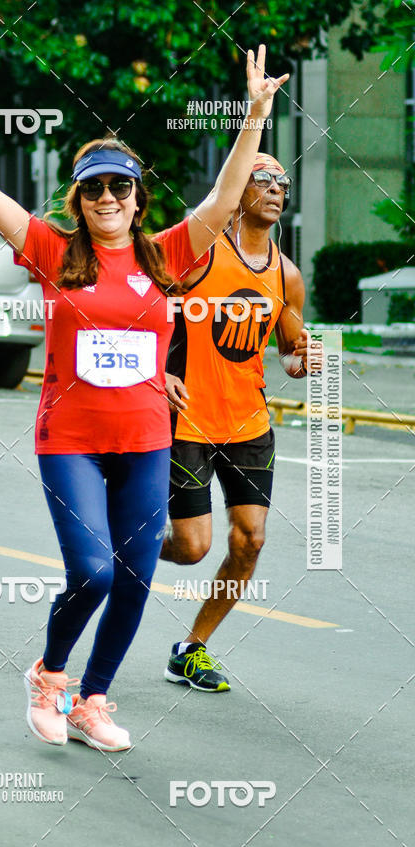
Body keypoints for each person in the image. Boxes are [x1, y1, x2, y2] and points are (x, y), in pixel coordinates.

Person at [0, 41, 288, 751]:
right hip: (72, 442)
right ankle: (50, 673)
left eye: (120, 188)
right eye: (94, 190)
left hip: (147, 439)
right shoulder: (54, 252)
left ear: (138, 199)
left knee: (137, 575)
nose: (107, 199)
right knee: (92, 571)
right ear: (77, 201)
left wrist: (255, 114)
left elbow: (226, 192)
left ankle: (94, 699)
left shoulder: (167, 253)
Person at [162, 152, 322, 692]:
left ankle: (192, 648)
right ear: (235, 190)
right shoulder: (199, 255)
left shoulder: (287, 275)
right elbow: (140, 311)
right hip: (186, 421)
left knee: (250, 540)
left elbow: (290, 356)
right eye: (263, 179)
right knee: (191, 547)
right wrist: (157, 371)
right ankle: (120, 546)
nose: (276, 189)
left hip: (248, 422)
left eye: (284, 182)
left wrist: (305, 360)